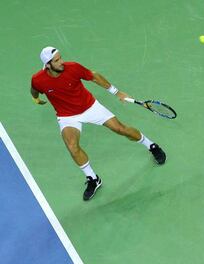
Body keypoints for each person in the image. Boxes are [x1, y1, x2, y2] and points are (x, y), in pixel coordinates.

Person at [31, 47, 166, 201]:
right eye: (56, 61)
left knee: (121, 129)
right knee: (72, 147)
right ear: (47, 65)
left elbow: (94, 76)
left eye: (60, 58)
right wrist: (35, 98)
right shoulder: (38, 79)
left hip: (91, 107)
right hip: (67, 116)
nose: (61, 62)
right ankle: (93, 179)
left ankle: (151, 145)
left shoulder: (73, 68)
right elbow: (34, 89)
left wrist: (117, 92)